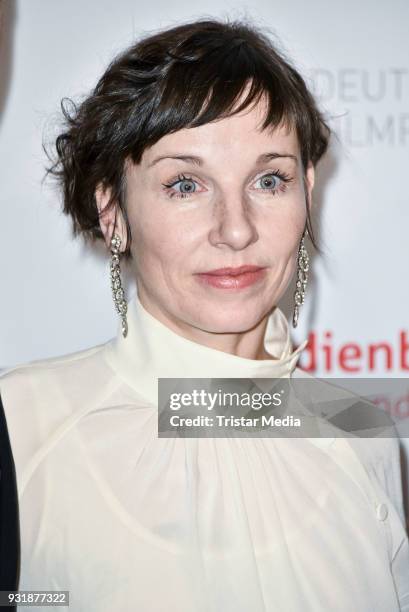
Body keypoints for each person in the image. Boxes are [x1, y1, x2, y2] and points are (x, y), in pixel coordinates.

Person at [1, 17, 408, 612]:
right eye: (185, 185)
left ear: (308, 191)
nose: (237, 229)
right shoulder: (21, 425)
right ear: (112, 209)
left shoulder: (360, 428)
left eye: (269, 180)